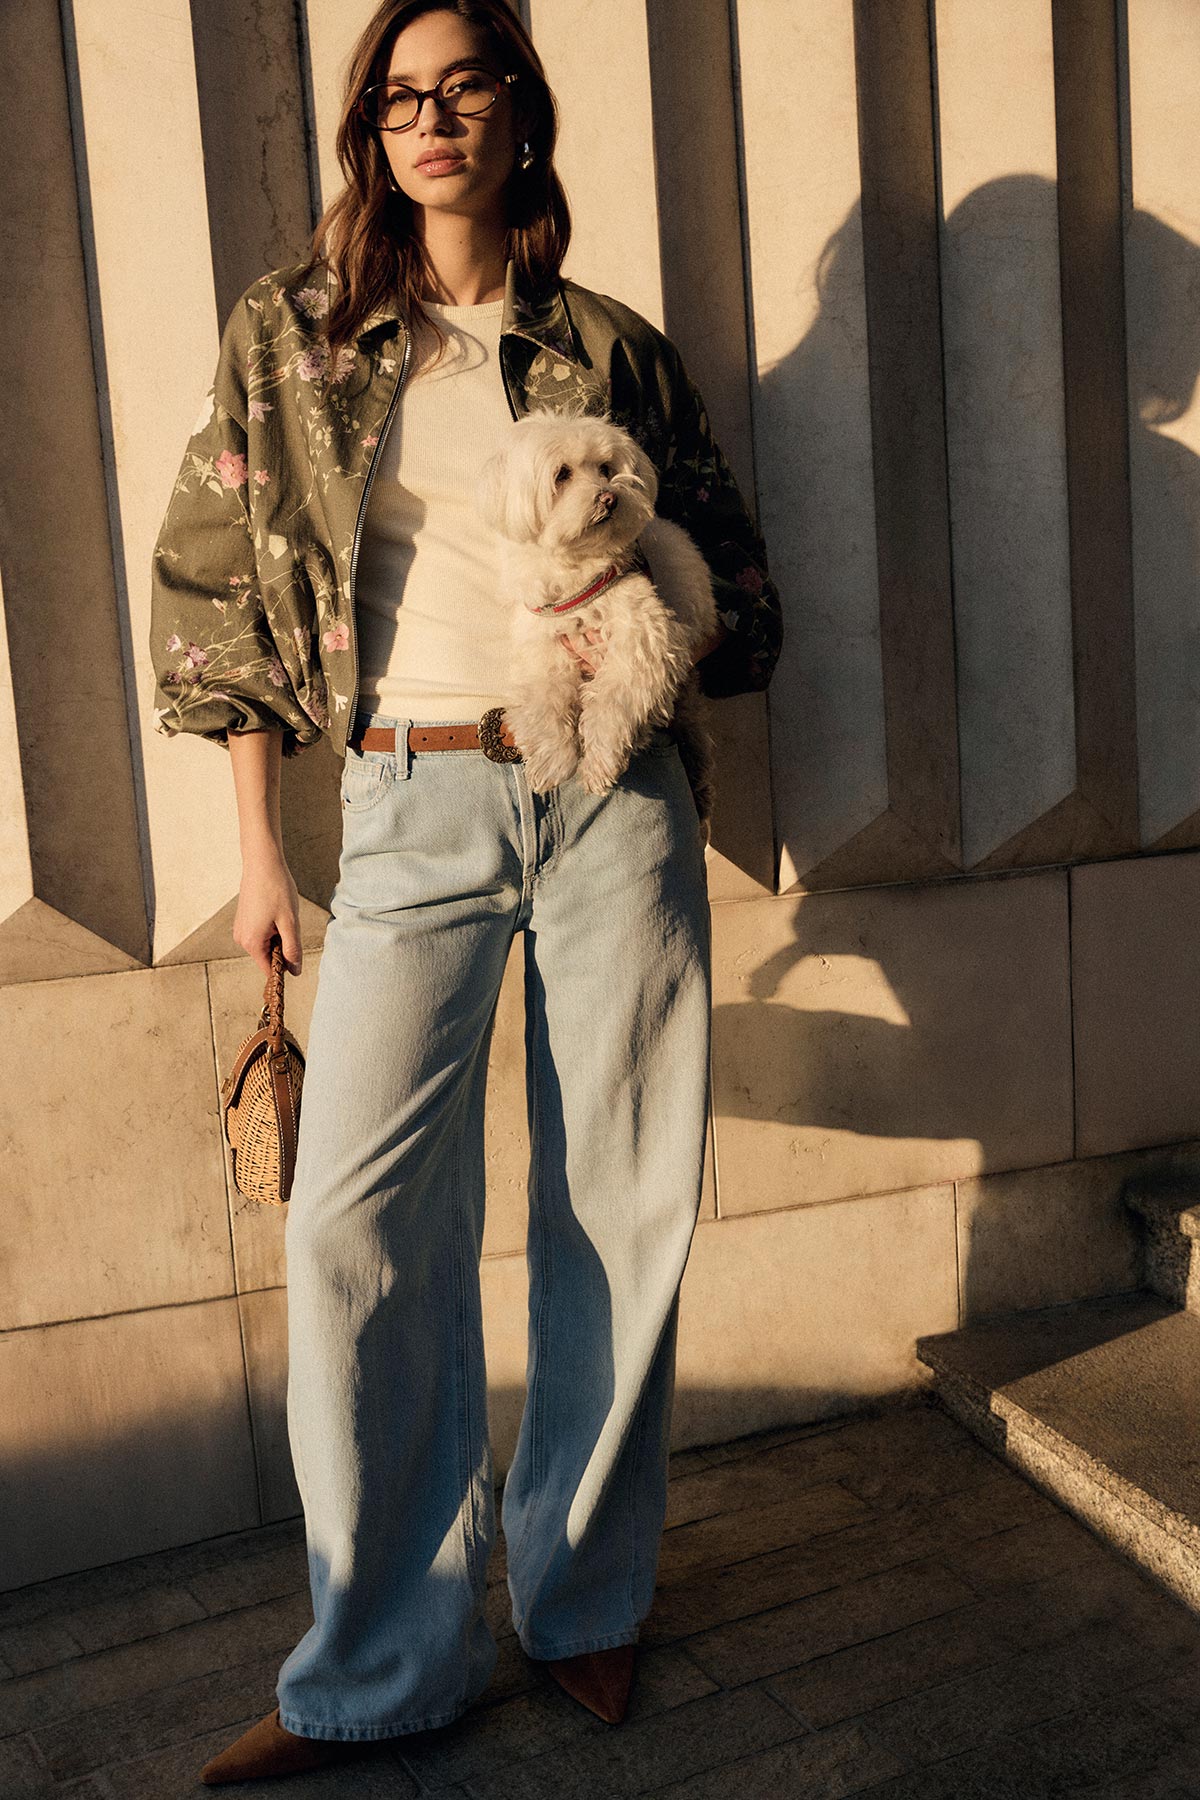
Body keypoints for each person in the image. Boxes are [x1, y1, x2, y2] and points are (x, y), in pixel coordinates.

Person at [149, 0, 782, 1783]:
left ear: (520, 113)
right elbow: (213, 596)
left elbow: (736, 578)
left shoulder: (609, 348)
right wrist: (262, 850)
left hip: (611, 803)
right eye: (398, 95)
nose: (433, 119)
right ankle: (375, 1663)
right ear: (373, 129)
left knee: (618, 1203)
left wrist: (642, 619)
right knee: (355, 1228)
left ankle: (584, 1601)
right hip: (410, 804)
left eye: (466, 85)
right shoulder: (299, 334)